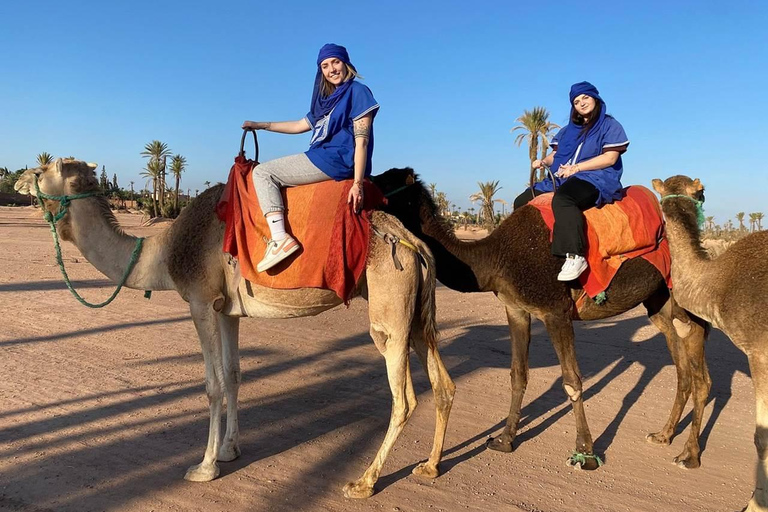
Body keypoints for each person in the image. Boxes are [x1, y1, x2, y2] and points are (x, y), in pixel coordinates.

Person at [242, 43, 379, 272]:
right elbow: (299, 125)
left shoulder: (358, 92)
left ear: (346, 63)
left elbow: (361, 141)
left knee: (263, 172)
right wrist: (261, 125)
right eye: (325, 66)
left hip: (336, 159)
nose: (332, 69)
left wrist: (357, 184)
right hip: (322, 156)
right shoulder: (326, 101)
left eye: (335, 62)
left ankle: (279, 238)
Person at [513, 81, 629, 281]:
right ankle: (526, 249)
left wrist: (577, 168)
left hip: (595, 177)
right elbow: (555, 156)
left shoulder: (610, 126)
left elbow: (610, 158)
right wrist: (542, 161)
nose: (581, 103)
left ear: (595, 98)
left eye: (585, 97)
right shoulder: (568, 130)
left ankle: (575, 255)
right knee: (521, 201)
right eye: (576, 101)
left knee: (564, 199)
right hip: (561, 176)